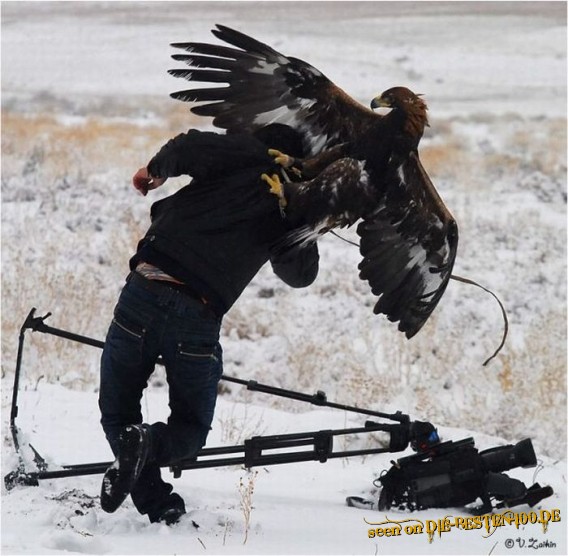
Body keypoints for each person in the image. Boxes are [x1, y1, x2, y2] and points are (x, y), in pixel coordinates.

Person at [99, 124, 319, 525]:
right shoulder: (289, 198)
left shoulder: (242, 152)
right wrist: (300, 214)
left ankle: (147, 473)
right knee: (191, 429)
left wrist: (156, 168)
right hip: (196, 316)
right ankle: (153, 479)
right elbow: (300, 274)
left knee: (117, 412)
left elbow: (189, 145)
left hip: (143, 291)